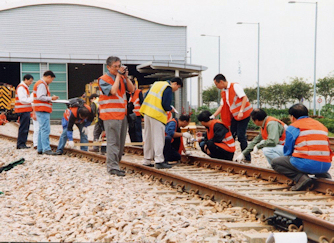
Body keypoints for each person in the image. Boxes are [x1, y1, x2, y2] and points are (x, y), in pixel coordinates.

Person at [271, 104, 333, 191]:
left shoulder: (293, 127)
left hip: (306, 165)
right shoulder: (321, 126)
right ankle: (322, 174)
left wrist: (288, 159)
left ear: (292, 117)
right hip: (326, 165)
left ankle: (301, 178)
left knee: (275, 162)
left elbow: (288, 150)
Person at [98, 56, 134, 177]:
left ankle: (116, 164)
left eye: (119, 66)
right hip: (110, 115)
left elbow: (132, 89)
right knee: (113, 142)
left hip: (122, 114)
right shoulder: (103, 79)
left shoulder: (122, 78)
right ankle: (112, 167)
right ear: (108, 67)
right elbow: (113, 91)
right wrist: (118, 76)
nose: (118, 68)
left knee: (121, 142)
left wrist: (126, 77)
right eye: (115, 66)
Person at [140, 77, 183, 169]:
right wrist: (171, 108)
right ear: (174, 83)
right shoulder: (168, 88)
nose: (176, 90)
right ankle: (159, 161)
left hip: (147, 113)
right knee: (159, 139)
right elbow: (165, 105)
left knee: (148, 138)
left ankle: (147, 160)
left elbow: (146, 96)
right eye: (178, 87)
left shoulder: (156, 84)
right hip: (157, 115)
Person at [211, 74, 253, 162]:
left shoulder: (235, 86)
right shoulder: (224, 92)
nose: (217, 87)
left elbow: (244, 97)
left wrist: (241, 111)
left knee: (241, 136)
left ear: (221, 82)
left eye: (216, 84)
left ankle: (247, 158)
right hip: (236, 116)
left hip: (244, 114)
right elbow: (222, 106)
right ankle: (228, 157)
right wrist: (213, 115)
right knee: (231, 136)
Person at [33, 70, 59, 155]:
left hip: (40, 109)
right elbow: (41, 97)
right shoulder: (42, 84)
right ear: (49, 77)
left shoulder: (39, 83)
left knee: (41, 129)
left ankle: (40, 148)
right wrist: (51, 98)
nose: (51, 81)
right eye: (52, 79)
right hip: (42, 110)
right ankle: (46, 149)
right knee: (45, 129)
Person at [15, 74, 34, 149]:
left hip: (24, 110)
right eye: (30, 81)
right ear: (25, 79)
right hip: (23, 110)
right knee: (24, 127)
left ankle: (22, 143)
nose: (31, 83)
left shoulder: (24, 88)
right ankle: (21, 144)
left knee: (24, 127)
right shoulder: (21, 88)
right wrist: (32, 97)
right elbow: (23, 99)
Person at [127, 78, 143, 143]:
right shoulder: (129, 94)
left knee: (138, 132)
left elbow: (142, 103)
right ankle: (133, 145)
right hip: (131, 117)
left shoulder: (138, 92)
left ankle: (139, 145)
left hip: (137, 116)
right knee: (131, 132)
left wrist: (142, 116)